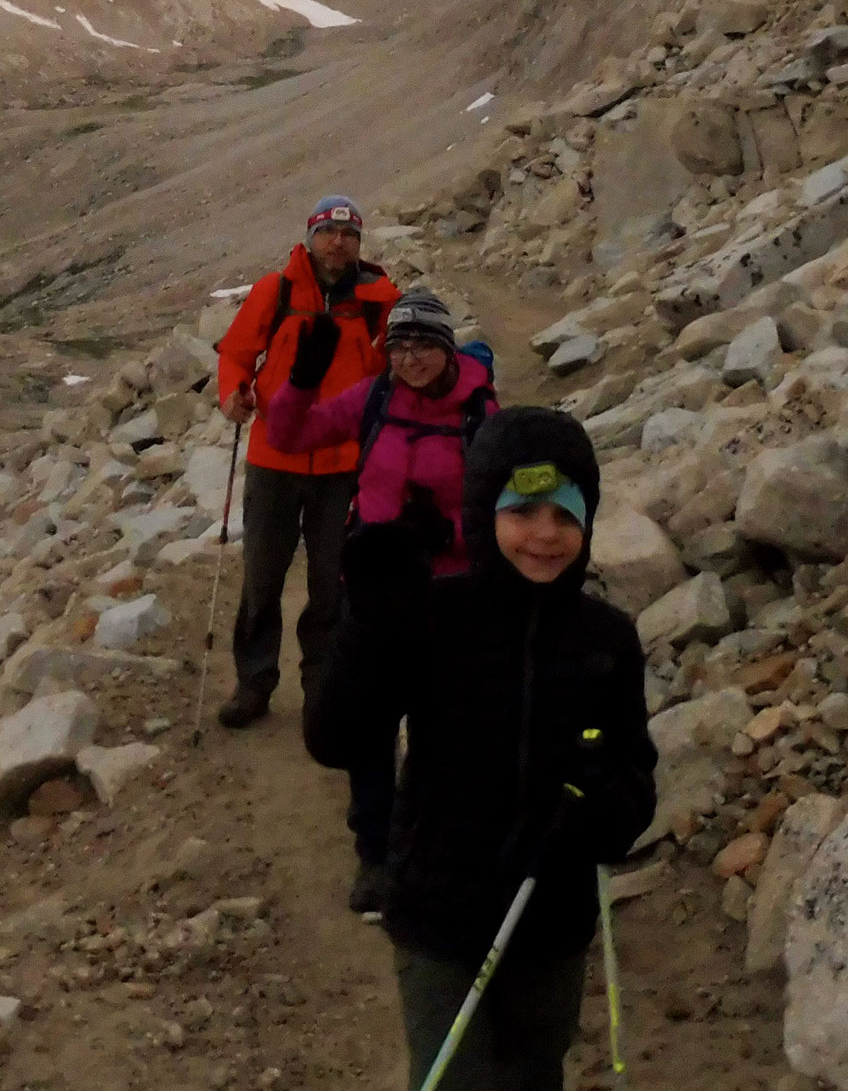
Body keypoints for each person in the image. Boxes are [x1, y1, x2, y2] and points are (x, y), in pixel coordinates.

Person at [305, 408, 656, 1091]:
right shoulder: (437, 617)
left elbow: (634, 777)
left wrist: (598, 815)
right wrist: (369, 627)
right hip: (440, 917)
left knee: (534, 1072)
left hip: (553, 920)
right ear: (481, 512)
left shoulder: (606, 639)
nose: (545, 535)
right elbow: (338, 738)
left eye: (566, 513)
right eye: (522, 511)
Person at [264, 287, 497, 914]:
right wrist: (301, 381)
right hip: (370, 595)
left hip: (448, 596)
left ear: (446, 346)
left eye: (423, 343)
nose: (411, 357)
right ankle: (376, 853)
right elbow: (289, 435)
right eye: (399, 345)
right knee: (368, 730)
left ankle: (432, 846)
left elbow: (497, 503)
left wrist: (447, 532)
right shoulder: (374, 398)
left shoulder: (480, 412)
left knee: (439, 729)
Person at [213, 195, 401, 730]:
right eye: (328, 231)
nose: (337, 241)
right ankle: (254, 683)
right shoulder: (276, 291)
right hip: (275, 455)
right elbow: (236, 354)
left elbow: (397, 363)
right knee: (262, 577)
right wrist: (233, 394)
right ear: (311, 235)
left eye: (348, 234)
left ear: (359, 243)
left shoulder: (378, 299)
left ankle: (324, 686)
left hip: (345, 462)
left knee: (333, 581)